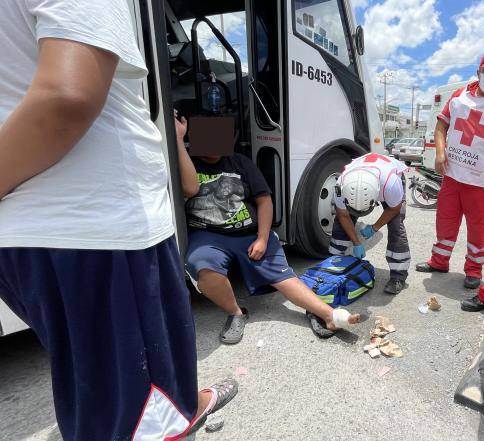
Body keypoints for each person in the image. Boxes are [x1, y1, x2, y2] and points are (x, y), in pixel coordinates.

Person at [0, 1, 237, 439]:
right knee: (139, 418)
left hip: (34, 229)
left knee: (95, 388)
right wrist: (182, 143)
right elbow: (68, 95)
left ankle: (186, 404)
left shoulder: (241, 165)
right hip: (101, 229)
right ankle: (177, 414)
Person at [176, 115, 361, 342]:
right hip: (209, 235)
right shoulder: (188, 163)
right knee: (203, 268)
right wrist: (177, 139)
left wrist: (262, 238)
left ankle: (330, 315)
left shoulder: (240, 162)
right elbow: (189, 188)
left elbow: (264, 201)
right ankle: (236, 313)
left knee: (283, 277)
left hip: (249, 232)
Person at [415, 49, 484, 297]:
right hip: (453, 176)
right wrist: (440, 153)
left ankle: (474, 271)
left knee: (478, 226)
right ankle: (439, 261)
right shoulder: (459, 96)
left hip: (483, 180)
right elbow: (442, 126)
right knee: (445, 220)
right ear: (478, 71)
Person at [329, 152, 411, 295]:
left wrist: (374, 228)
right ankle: (334, 265)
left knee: (396, 226)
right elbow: (343, 215)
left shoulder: (391, 185)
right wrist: (356, 243)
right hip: (361, 178)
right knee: (340, 225)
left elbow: (394, 209)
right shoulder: (341, 186)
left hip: (388, 174)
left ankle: (398, 276)